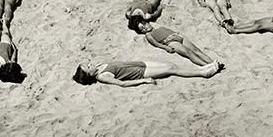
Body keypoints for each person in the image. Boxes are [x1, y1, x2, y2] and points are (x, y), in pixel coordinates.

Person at [72, 59, 224, 87]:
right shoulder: (102, 76)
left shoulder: (99, 67)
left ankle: (203, 68)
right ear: (89, 75)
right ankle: (203, 72)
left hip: (138, 63)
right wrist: (143, 81)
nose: (90, 64)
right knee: (172, 70)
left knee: (171, 65)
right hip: (140, 72)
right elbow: (122, 84)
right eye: (88, 67)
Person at [128, 21, 217, 66]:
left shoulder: (157, 25)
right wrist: (166, 48)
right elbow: (155, 43)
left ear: (147, 22)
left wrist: (179, 34)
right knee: (189, 53)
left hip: (177, 36)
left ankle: (212, 62)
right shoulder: (148, 35)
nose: (145, 28)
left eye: (144, 25)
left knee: (197, 50)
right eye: (142, 29)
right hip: (170, 42)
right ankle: (207, 66)